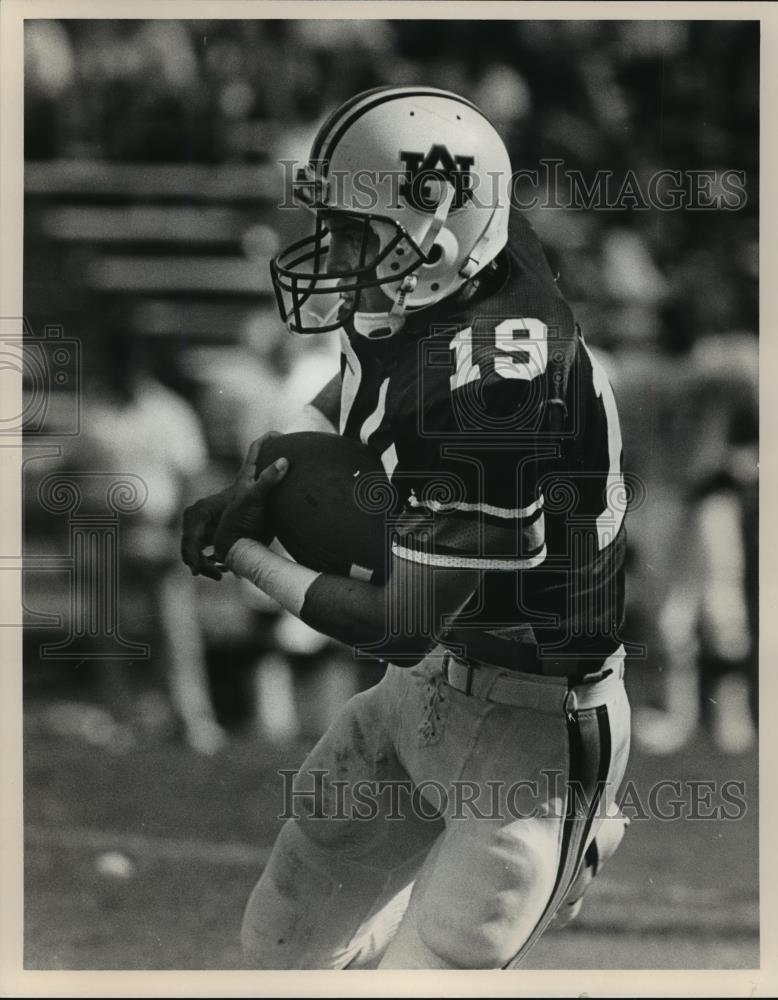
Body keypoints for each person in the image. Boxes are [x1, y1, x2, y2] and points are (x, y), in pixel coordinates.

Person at [181, 86, 631, 969]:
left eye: (358, 231)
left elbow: (396, 622)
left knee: (435, 971)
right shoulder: (454, 265)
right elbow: (357, 384)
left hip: (532, 727)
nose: (336, 254)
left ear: (434, 230)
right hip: (428, 682)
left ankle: (583, 823)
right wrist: (268, 474)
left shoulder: (495, 376)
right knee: (282, 945)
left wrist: (245, 551)